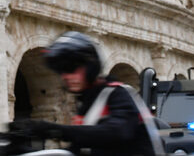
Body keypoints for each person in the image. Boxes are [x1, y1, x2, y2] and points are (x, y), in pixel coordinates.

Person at [11, 31, 151, 156]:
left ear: (90, 66)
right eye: (61, 70)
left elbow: (117, 132)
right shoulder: (86, 105)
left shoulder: (119, 93)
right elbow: (77, 150)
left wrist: (54, 129)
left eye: (71, 68)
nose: (66, 76)